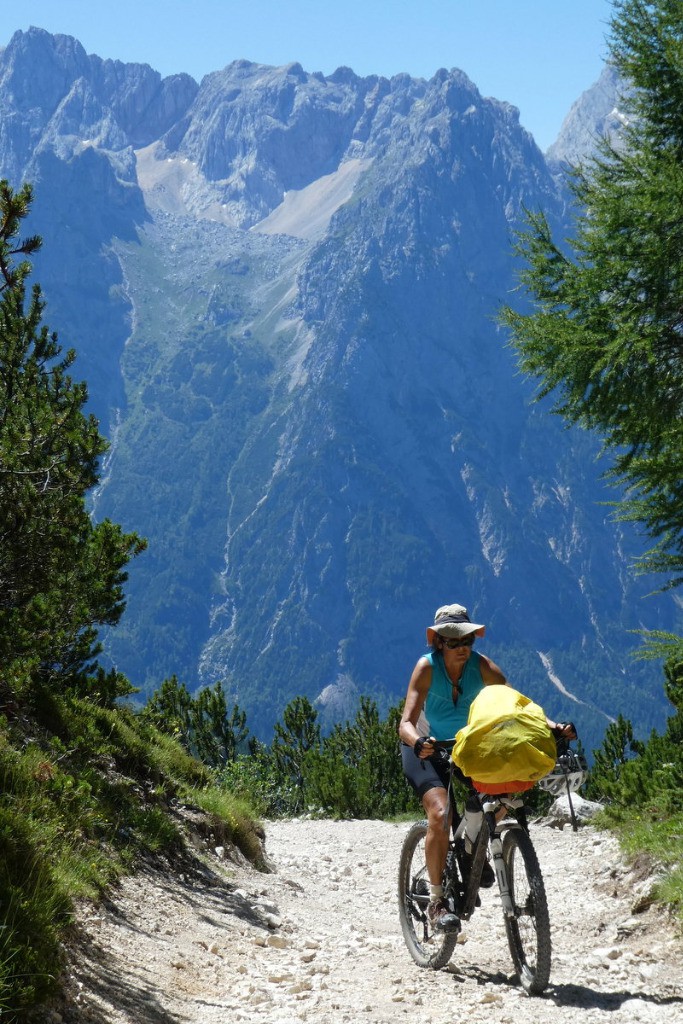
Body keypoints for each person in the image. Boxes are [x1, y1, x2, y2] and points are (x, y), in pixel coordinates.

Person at [398, 602, 576, 932]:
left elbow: (519, 708)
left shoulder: (483, 668)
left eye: (467, 640)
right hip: (426, 747)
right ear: (439, 642)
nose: (462, 647)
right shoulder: (426, 668)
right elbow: (405, 722)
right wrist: (417, 741)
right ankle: (437, 901)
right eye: (453, 642)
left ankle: (469, 851)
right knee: (440, 815)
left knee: (502, 796)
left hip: (468, 747)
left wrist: (552, 727)